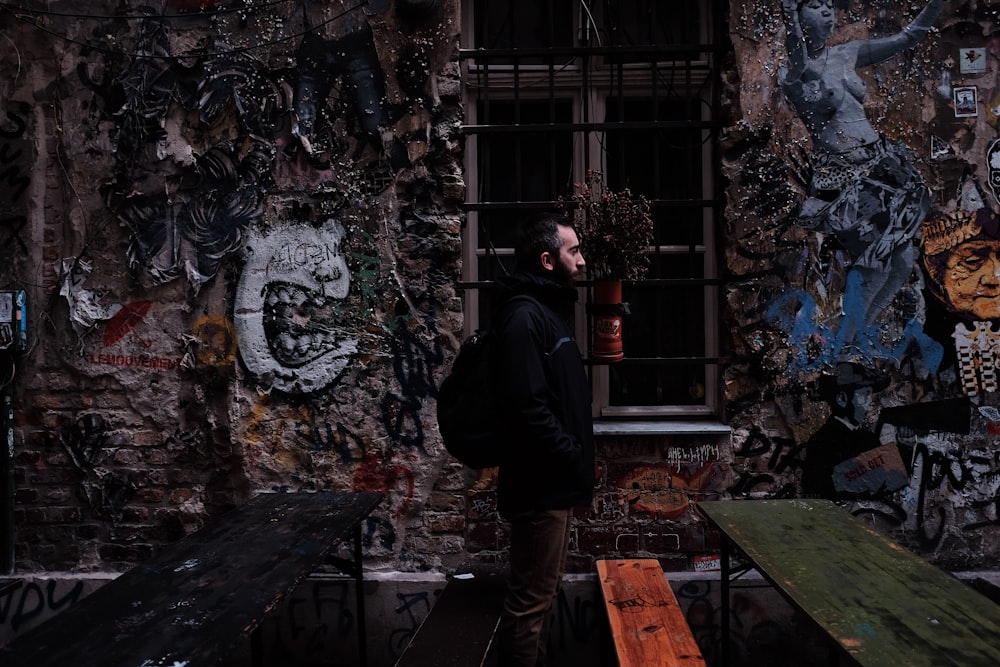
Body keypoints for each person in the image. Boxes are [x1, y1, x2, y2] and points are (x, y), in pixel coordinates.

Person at [779, 0, 945, 333]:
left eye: (829, 5)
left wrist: (935, 5)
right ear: (796, 16)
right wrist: (788, 19)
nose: (827, 11)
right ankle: (846, 343)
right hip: (844, 179)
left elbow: (908, 37)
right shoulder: (792, 73)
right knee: (875, 267)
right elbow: (798, 56)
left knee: (903, 261)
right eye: (814, 5)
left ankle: (858, 340)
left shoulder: (847, 53)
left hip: (879, 167)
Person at [491, 213, 594, 667]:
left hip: (551, 484)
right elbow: (528, 407)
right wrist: (571, 456)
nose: (583, 261)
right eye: (574, 251)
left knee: (540, 595)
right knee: (530, 602)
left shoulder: (546, 314)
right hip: (540, 488)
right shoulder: (524, 318)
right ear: (548, 260)